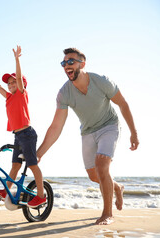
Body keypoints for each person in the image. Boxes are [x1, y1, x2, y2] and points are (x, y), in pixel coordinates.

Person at [37, 48, 139, 225]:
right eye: (64, 63)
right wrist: (39, 153)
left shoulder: (101, 81)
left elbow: (123, 104)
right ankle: (117, 187)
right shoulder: (64, 93)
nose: (66, 65)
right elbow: (56, 127)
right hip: (87, 131)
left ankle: (107, 214)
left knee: (102, 164)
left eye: (71, 61)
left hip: (109, 126)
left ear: (82, 63)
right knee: (94, 176)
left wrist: (134, 132)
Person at [0, 45, 46, 208]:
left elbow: (20, 77)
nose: (10, 85)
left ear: (21, 84)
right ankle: (5, 190)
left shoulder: (21, 95)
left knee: (32, 165)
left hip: (28, 134)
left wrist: (17, 59)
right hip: (18, 135)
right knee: (15, 165)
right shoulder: (8, 97)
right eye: (9, 83)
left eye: (13, 82)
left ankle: (41, 196)